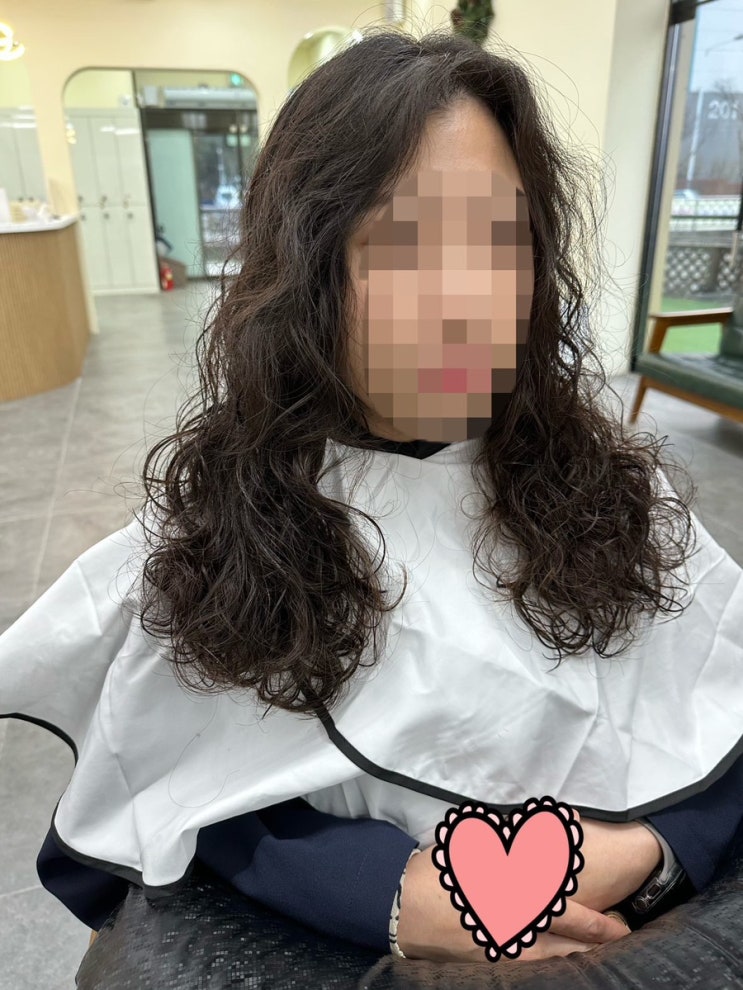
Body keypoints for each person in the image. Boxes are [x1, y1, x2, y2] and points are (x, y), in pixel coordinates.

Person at [3, 26, 743, 968]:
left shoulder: (612, 493)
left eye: (500, 241)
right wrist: (388, 892)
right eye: (405, 243)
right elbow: (173, 773)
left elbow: (720, 703)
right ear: (305, 271)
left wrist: (647, 847)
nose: (467, 299)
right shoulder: (223, 526)